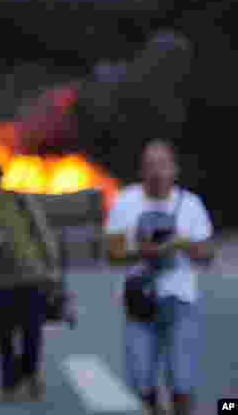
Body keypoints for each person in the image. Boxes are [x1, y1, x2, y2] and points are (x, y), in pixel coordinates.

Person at [104, 140, 215, 415]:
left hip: (180, 302)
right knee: (141, 382)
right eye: (149, 165)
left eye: (162, 164)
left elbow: (207, 253)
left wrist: (179, 243)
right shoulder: (125, 201)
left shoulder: (190, 204)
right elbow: (111, 252)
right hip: (139, 302)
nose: (156, 171)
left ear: (174, 169)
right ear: (141, 170)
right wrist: (141, 251)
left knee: (181, 382)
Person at [0, 162, 60, 403]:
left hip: (31, 277)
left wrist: (52, 267)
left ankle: (31, 374)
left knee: (32, 332)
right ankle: (9, 384)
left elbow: (42, 232)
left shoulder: (19, 202)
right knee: (3, 336)